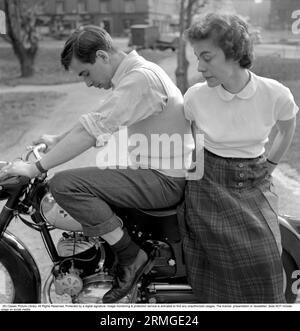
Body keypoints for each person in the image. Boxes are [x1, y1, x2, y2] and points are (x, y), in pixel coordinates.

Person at [0, 25, 193, 303]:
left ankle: (131, 256)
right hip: (156, 173)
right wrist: (58, 138)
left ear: (102, 56)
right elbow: (97, 120)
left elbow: (92, 131)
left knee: (65, 185)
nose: (87, 83)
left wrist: (35, 168)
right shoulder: (138, 74)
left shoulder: (140, 79)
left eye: (85, 73)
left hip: (161, 179)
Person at [178, 13, 298, 303]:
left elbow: (287, 126)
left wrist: (270, 165)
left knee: (266, 257)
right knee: (214, 262)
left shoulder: (275, 93)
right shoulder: (195, 96)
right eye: (197, 57)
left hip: (254, 179)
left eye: (207, 57)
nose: (200, 66)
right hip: (207, 183)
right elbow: (188, 137)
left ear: (233, 53)